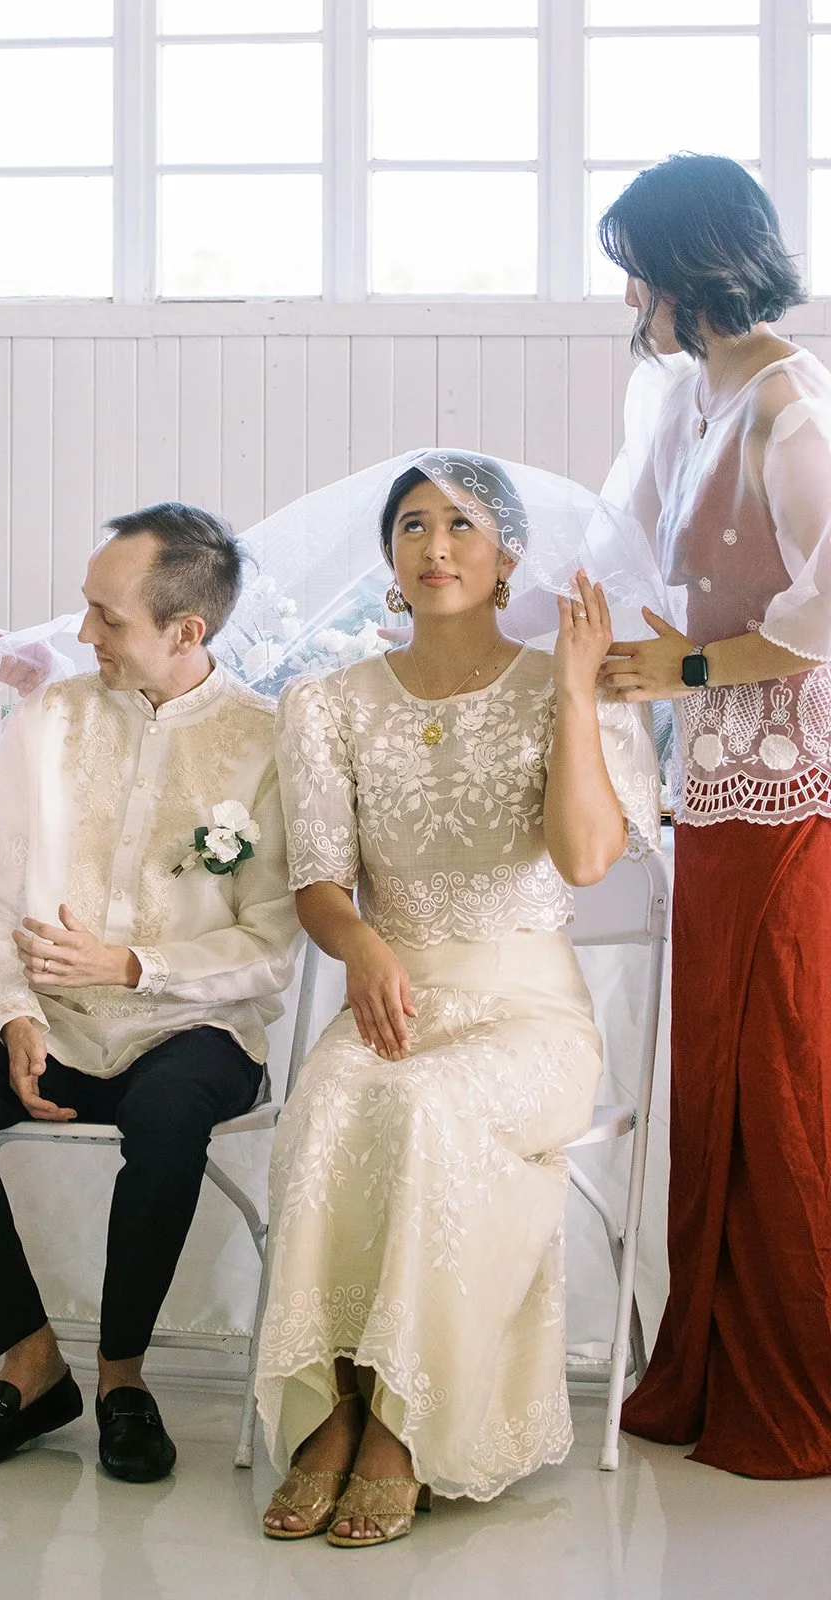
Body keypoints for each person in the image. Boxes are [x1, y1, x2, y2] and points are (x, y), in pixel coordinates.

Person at [251, 451, 662, 1546]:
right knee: (329, 1103)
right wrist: (365, 949)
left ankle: (404, 1421)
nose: (437, 548)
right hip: (395, 1003)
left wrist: (574, 689)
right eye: (414, 527)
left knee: (433, 1111)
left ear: (506, 556)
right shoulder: (326, 703)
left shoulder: (565, 682)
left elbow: (584, 857)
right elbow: (320, 887)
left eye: (462, 526)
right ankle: (332, 1407)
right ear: (390, 558)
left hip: (528, 1018)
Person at [0, 503, 301, 1480]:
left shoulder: (263, 741)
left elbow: (271, 946)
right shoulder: (50, 718)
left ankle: (123, 1377)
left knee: (165, 1115)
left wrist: (135, 967)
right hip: (59, 1030)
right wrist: (16, 1015)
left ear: (185, 631)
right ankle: (30, 1363)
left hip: (196, 1035)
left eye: (106, 617)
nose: (81, 635)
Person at [597, 154, 831, 1479]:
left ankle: (794, 1376)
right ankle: (708, 1360)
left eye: (640, 263)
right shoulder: (688, 394)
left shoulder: (790, 411)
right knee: (716, 1076)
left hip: (790, 789)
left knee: (781, 1070)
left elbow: (823, 612)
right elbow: (622, 550)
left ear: (698, 267)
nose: (630, 291)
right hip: (714, 785)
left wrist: (682, 670)